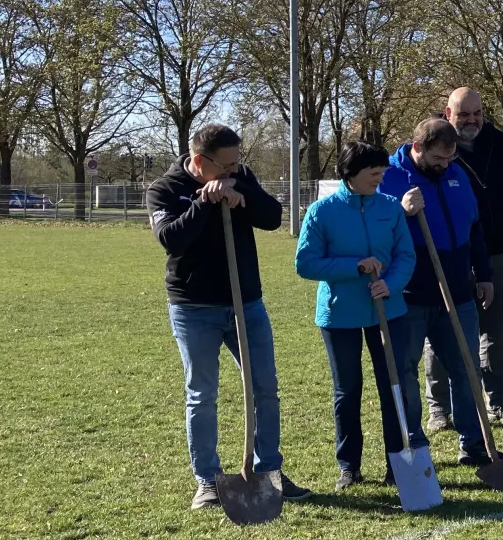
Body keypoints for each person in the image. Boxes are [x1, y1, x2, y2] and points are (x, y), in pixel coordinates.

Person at [146, 123, 312, 509]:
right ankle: (207, 480)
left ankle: (268, 470)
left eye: (238, 162)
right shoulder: (165, 189)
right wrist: (204, 203)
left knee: (264, 387)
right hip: (193, 307)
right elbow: (170, 239)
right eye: (226, 165)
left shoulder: (240, 175)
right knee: (202, 394)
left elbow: (272, 217)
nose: (234, 169)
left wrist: (243, 193)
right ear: (200, 162)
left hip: (247, 304)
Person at [424, 87, 503, 432]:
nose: (471, 120)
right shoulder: (432, 147)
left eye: (476, 113)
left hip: (500, 257)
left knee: (499, 334)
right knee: (442, 333)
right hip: (450, 259)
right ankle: (440, 409)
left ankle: (498, 401)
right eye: (463, 114)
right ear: (447, 114)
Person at [295, 141, 423, 490]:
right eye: (373, 173)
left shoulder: (390, 208)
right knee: (347, 390)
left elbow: (404, 256)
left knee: (393, 387)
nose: (380, 179)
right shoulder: (321, 212)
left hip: (389, 311)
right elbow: (305, 264)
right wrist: (355, 266)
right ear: (350, 173)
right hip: (339, 316)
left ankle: (398, 464)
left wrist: (390, 285)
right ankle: (349, 466)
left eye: (382, 172)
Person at [379, 118, 500, 468]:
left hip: (458, 291)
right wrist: (399, 212)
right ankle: (414, 446)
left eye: (450, 159)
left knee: (466, 368)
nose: (444, 165)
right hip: (409, 294)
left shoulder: (457, 175)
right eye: (437, 158)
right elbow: (373, 230)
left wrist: (484, 274)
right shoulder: (388, 177)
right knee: (405, 371)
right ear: (417, 147)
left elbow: (474, 229)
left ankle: (474, 443)